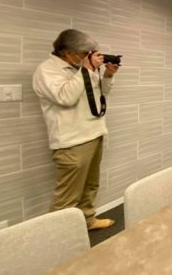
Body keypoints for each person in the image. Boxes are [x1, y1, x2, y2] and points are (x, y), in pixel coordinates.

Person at [32, 29, 119, 230]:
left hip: (95, 133)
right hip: (72, 142)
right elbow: (65, 98)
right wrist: (87, 69)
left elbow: (101, 94)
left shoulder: (81, 68)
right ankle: (58, 237)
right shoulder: (47, 71)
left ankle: (87, 220)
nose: (88, 57)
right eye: (84, 53)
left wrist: (108, 75)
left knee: (91, 185)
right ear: (68, 52)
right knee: (67, 196)